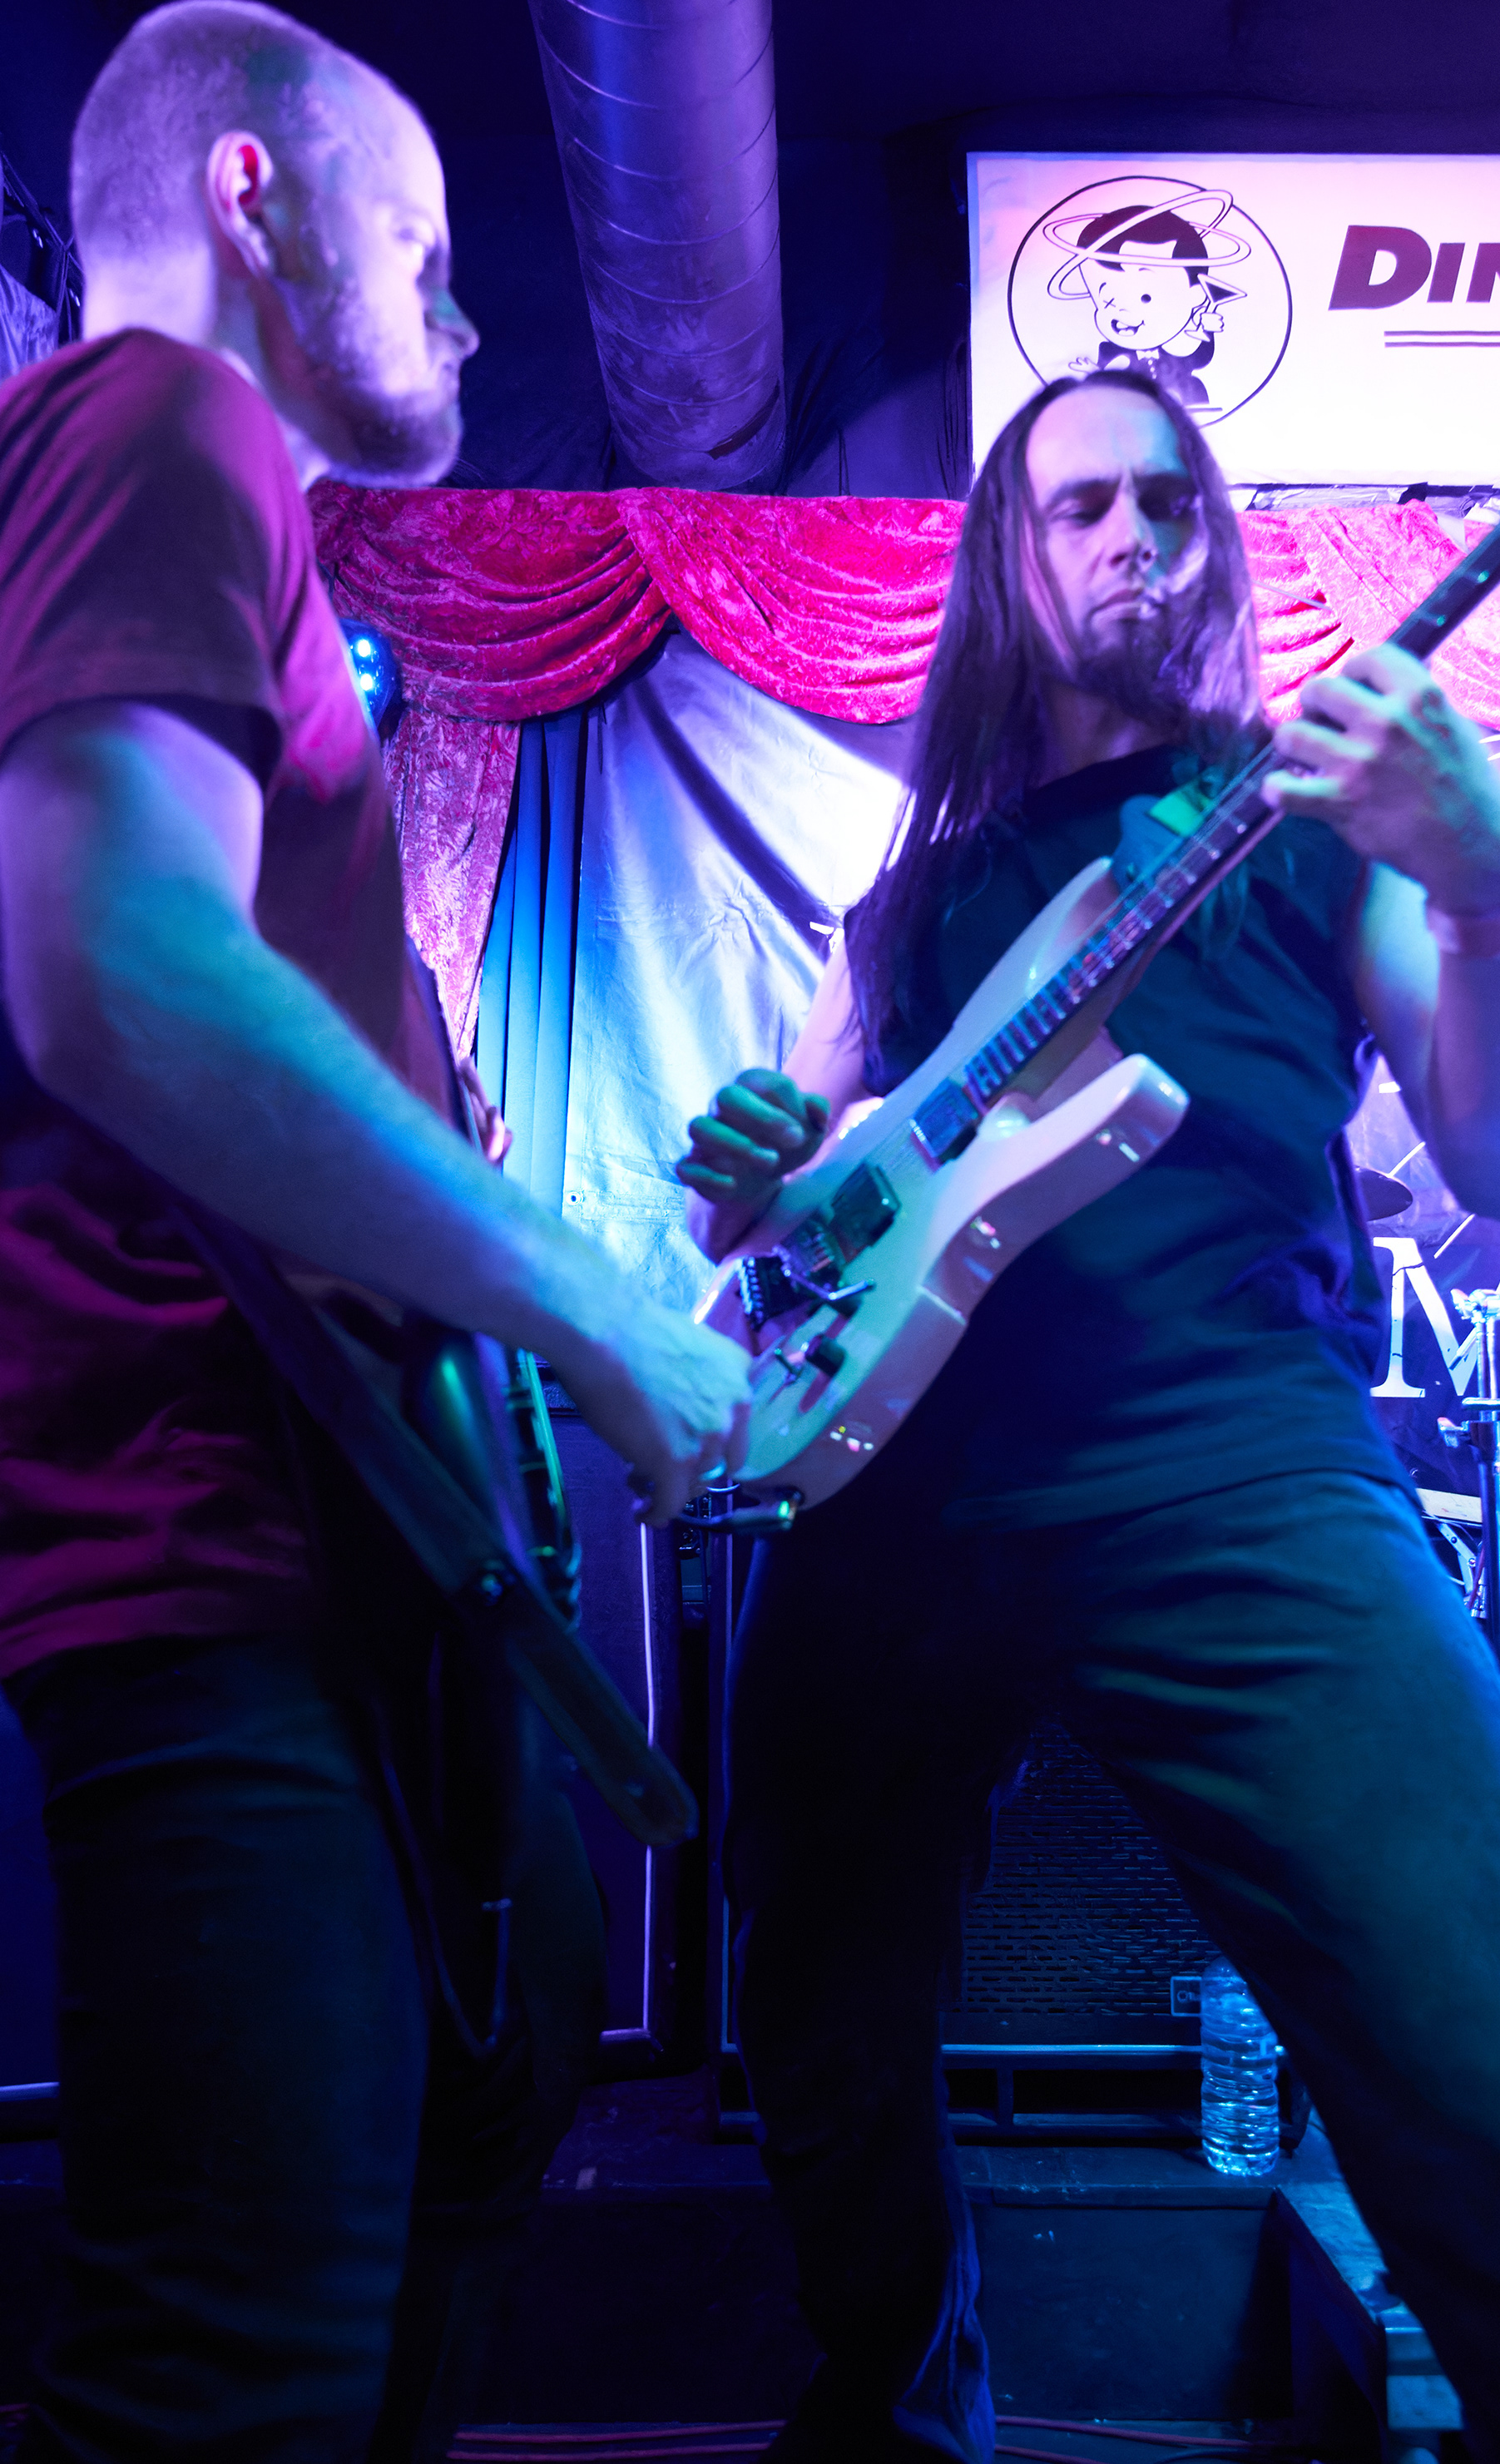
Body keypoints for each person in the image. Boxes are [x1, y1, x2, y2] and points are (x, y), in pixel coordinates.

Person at [677, 369, 1500, 2462]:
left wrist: (1492, 889)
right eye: (1082, 505)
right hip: (899, 1485)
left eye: (1172, 504)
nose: (1134, 542)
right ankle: (904, 2405)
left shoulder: (1309, 828)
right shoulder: (910, 900)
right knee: (814, 2010)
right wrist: (754, 1169)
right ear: (1009, 558)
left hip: (1231, 1447)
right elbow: (803, 1208)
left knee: (1478, 2013)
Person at [0, 7, 750, 2459]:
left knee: (428, 2224)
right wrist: (594, 1311)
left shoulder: (173, 494)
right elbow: (118, 966)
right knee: (233, 2375)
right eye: (420, 245)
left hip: (339, 1561)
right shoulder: (160, 418)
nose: (463, 309)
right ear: (257, 200)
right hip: (229, 1563)